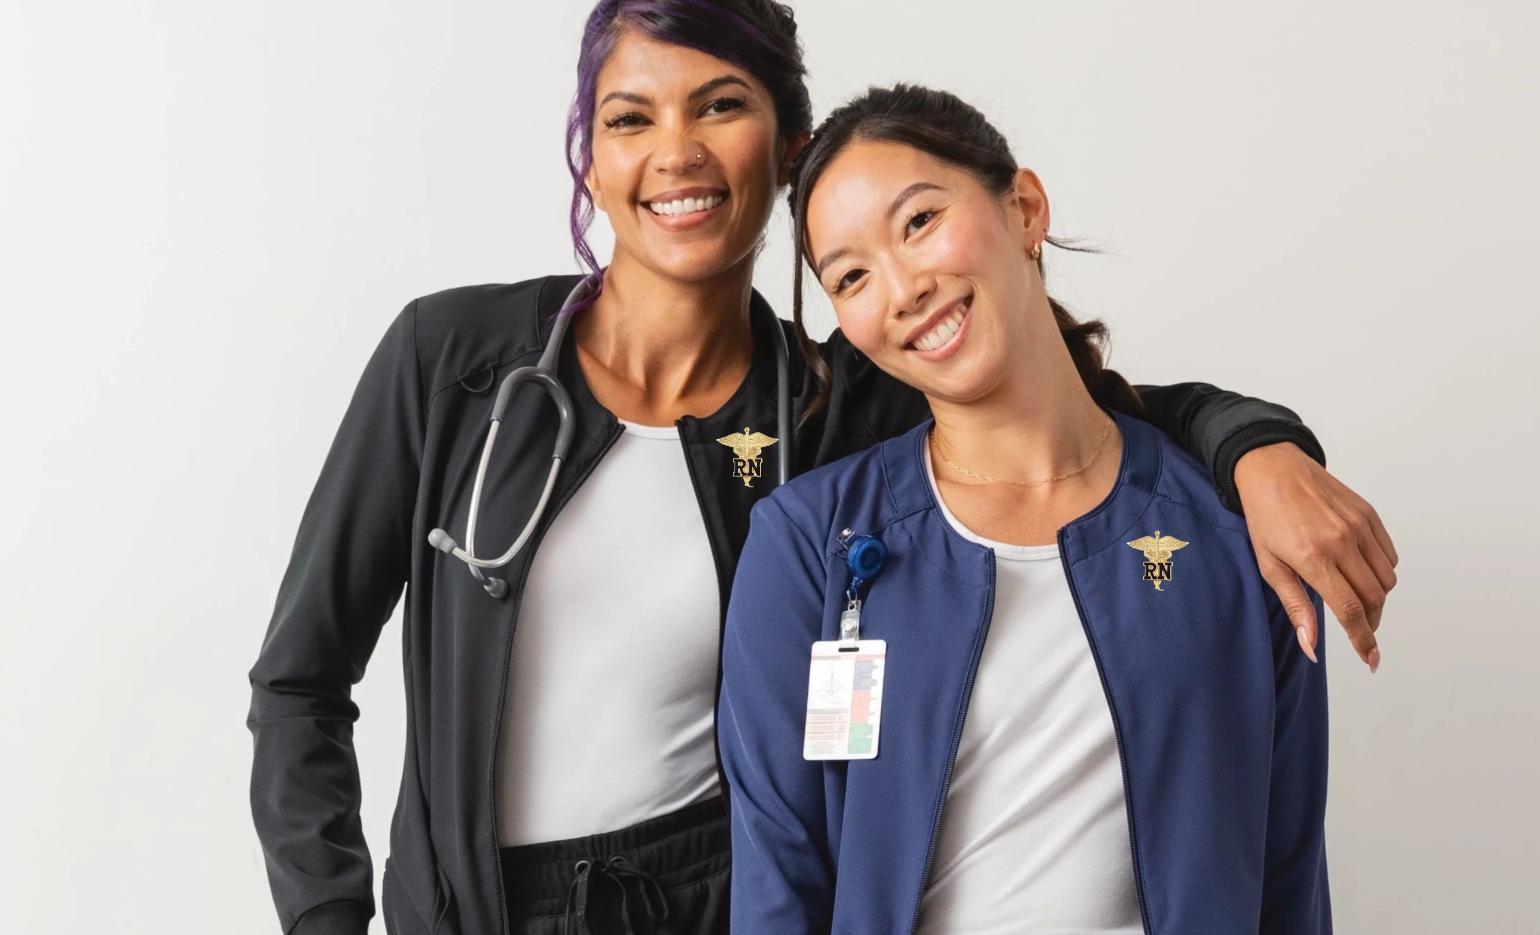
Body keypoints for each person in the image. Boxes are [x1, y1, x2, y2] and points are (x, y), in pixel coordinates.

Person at [247, 3, 1389, 934]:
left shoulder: (843, 403)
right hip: (480, 905)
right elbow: (299, 680)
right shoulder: (451, 366)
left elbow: (1089, 415)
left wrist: (1259, 450)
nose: (677, 152)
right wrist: (328, 920)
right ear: (590, 157)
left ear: (786, 151)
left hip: (714, 892)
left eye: (722, 105)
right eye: (631, 117)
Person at [719, 84, 1334, 934]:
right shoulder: (806, 542)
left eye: (919, 222)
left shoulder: (1235, 528)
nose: (901, 288)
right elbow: (778, 882)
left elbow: (1290, 868)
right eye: (851, 275)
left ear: (1025, 209)